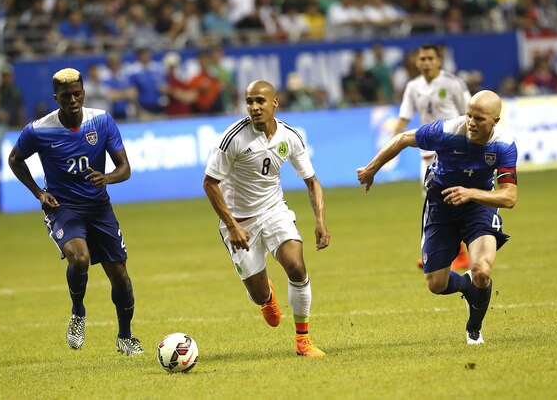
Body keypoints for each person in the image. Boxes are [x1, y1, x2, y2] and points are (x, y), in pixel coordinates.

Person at [357, 90, 517, 345]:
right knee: (436, 284)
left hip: (478, 207)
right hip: (441, 206)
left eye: (480, 118)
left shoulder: (504, 145)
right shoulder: (447, 131)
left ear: (495, 120)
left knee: (482, 270)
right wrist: (371, 169)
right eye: (469, 116)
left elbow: (509, 197)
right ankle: (466, 287)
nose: (472, 123)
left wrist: (471, 193)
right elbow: (402, 138)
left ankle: (474, 330)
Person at [7, 68, 144, 356]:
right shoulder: (38, 130)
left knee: (121, 277)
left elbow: (125, 168)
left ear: (84, 92)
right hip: (63, 208)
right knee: (79, 258)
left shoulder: (102, 121)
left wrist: (107, 178)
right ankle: (78, 312)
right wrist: (39, 193)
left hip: (99, 208)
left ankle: (125, 337)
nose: (72, 100)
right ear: (55, 97)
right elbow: (15, 160)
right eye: (66, 95)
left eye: (77, 93)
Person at [203, 80, 330, 357]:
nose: (254, 107)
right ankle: (267, 296)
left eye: (260, 101)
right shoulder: (232, 139)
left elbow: (312, 181)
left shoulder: (289, 137)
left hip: (274, 211)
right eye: (249, 101)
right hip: (240, 223)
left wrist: (320, 221)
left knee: (296, 266)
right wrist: (232, 225)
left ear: (275, 102)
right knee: (259, 294)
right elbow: (210, 184)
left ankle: (303, 340)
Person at [394, 43, 472, 270]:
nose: (426, 63)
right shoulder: (413, 87)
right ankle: (441, 254)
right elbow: (403, 119)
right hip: (427, 154)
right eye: (422, 59)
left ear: (439, 60)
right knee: (433, 203)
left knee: (452, 201)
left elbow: (471, 113)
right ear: (416, 62)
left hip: (453, 153)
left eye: (430, 58)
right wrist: (390, 145)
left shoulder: (453, 84)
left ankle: (459, 255)